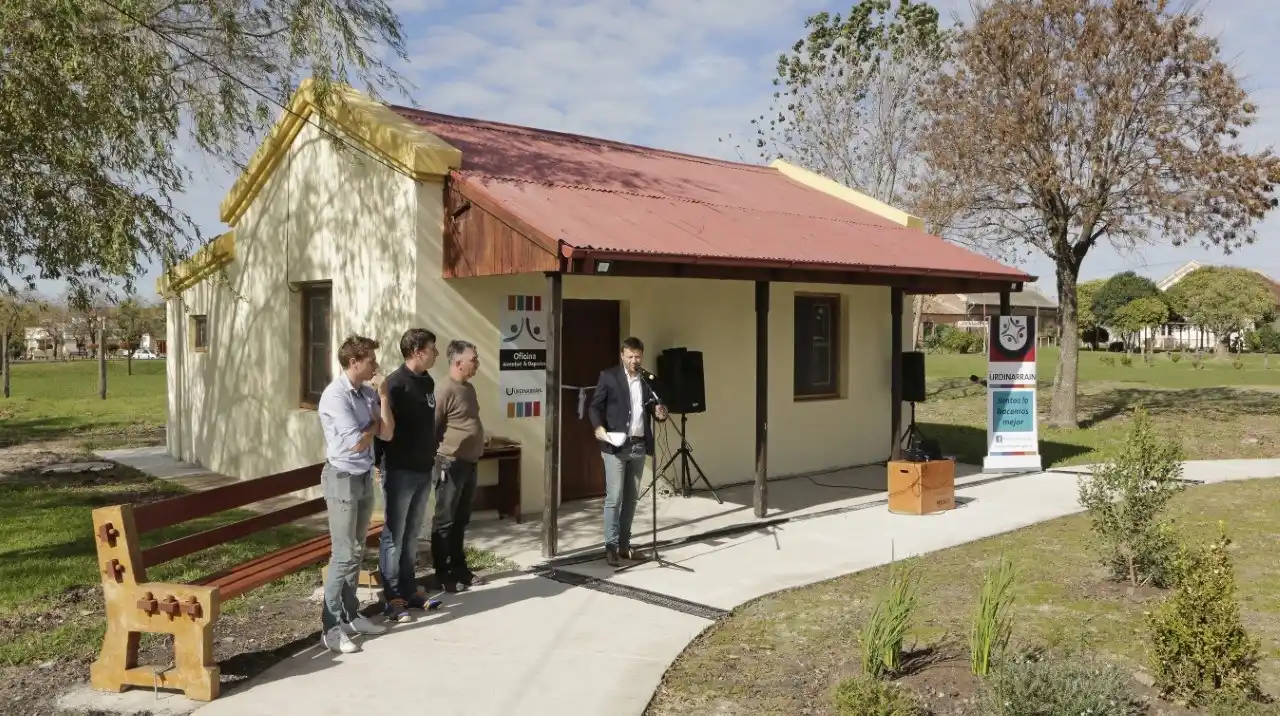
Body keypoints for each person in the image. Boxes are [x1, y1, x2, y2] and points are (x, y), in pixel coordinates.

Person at [317, 335, 394, 654]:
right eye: (371, 360)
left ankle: (350, 615)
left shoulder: (367, 393)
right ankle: (330, 626)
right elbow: (355, 444)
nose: (376, 365)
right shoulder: (335, 397)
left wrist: (384, 398)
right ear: (354, 363)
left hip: (362, 476)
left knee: (358, 548)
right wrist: (374, 425)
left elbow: (386, 432)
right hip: (342, 478)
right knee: (344, 554)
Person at [375, 328, 440, 623]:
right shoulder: (394, 385)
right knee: (394, 536)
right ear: (417, 352)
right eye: (432, 349)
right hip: (399, 470)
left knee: (412, 534)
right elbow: (382, 428)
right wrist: (379, 464)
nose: (436, 353)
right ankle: (392, 598)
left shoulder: (427, 382)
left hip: (423, 469)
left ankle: (408, 588)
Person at [589, 336, 668, 567]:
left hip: (639, 445)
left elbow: (654, 406)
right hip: (615, 445)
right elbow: (595, 407)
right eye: (630, 356)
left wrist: (660, 413)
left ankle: (625, 546)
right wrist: (598, 427)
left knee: (631, 499)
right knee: (614, 497)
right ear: (622, 355)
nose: (635, 360)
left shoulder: (647, 380)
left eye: (638, 356)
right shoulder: (609, 377)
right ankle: (611, 547)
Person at [431, 339, 487, 592]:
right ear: (458, 362)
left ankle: (460, 568)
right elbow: (432, 427)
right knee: (445, 520)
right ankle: (443, 574)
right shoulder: (444, 389)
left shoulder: (470, 388)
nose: (477, 363)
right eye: (473, 359)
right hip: (449, 464)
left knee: (461, 520)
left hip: (470, 463)